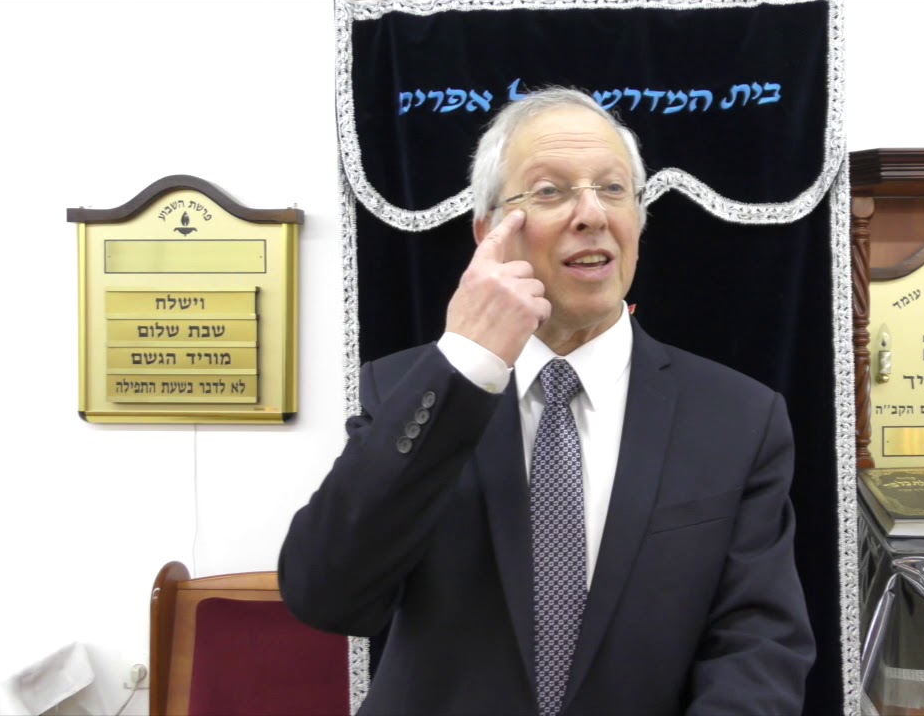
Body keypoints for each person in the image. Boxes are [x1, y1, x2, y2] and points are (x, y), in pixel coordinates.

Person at [280, 87, 815, 715]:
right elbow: (327, 594)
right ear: (489, 233)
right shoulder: (407, 391)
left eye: (613, 189)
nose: (592, 214)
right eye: (550, 191)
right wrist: (466, 365)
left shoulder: (738, 417)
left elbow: (757, 647)